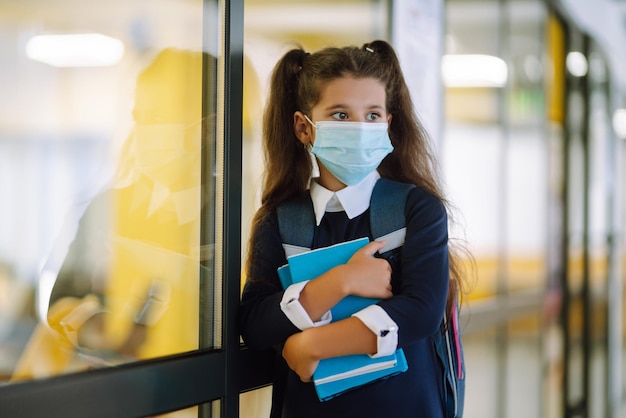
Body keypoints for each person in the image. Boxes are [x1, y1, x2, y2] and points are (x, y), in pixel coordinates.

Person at [239, 39, 471, 418]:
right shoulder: (281, 220)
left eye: (373, 115)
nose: (360, 128)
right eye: (341, 115)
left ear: (388, 124)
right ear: (304, 127)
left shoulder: (416, 209)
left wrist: (311, 346)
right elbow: (255, 324)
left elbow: (422, 311)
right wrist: (341, 281)